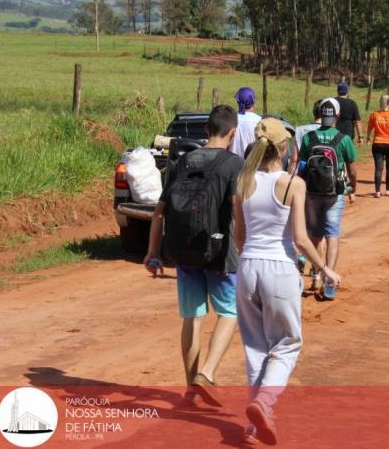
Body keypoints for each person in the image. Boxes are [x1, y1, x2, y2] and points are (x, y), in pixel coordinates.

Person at [233, 118, 341, 446]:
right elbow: (300, 240)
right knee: (287, 344)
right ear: (284, 148)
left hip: (247, 267)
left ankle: (256, 425)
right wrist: (325, 269)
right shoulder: (293, 183)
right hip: (279, 270)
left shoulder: (242, 183)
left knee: (255, 349)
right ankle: (264, 404)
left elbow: (239, 238)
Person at [144, 105, 244, 407]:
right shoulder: (233, 164)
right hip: (219, 254)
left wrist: (152, 252)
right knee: (229, 313)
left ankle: (190, 388)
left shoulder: (182, 161)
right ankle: (207, 373)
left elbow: (159, 212)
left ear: (206, 131)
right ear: (233, 133)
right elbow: (238, 213)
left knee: (192, 318)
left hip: (184, 251)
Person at [299, 98, 358, 299]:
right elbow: (352, 168)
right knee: (332, 236)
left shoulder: (309, 137)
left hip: (312, 192)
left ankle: (316, 275)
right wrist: (352, 188)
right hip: (335, 192)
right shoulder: (344, 139)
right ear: (338, 116)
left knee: (314, 236)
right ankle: (329, 282)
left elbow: (302, 164)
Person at [366, 94, 389, 197]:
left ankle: (377, 191)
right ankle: (388, 190)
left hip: (377, 144)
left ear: (380, 102)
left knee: (378, 168)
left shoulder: (374, 115)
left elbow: (369, 129)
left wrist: (367, 137)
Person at [230, 87, 262, 158]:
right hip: (253, 166)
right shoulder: (259, 121)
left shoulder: (230, 119)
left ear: (237, 101)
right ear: (253, 102)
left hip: (232, 165)